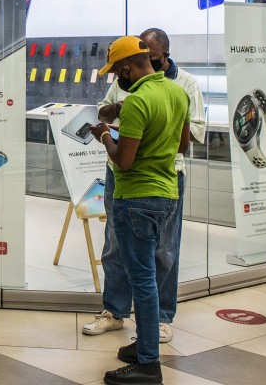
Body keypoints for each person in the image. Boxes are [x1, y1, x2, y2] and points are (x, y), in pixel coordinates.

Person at [84, 28, 205, 345]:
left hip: (140, 184)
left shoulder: (176, 88)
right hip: (157, 182)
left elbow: (126, 160)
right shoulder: (171, 94)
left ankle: (153, 335)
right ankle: (117, 312)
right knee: (119, 250)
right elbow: (181, 145)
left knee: (156, 259)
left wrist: (107, 136)